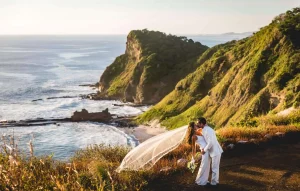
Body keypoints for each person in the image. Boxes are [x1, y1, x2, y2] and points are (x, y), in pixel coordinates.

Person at [197, 117, 223, 186]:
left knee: (214, 168)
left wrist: (204, 150)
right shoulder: (206, 129)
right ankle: (215, 182)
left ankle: (214, 183)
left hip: (215, 151)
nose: (197, 125)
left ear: (202, 124)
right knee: (215, 168)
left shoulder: (207, 130)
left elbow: (210, 142)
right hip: (214, 151)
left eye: (198, 123)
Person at [186, 121, 210, 185]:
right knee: (203, 165)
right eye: (195, 125)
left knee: (207, 165)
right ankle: (199, 180)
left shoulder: (199, 132)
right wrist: (193, 157)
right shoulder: (193, 137)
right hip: (204, 151)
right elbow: (194, 148)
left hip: (207, 149)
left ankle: (204, 180)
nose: (196, 125)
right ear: (193, 127)